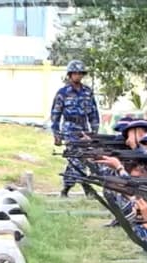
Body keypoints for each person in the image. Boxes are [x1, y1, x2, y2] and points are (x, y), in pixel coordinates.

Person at [51, 60, 100, 197]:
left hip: (84, 129)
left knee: (82, 158)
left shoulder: (87, 92)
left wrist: (95, 132)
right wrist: (57, 134)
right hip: (69, 129)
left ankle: (66, 188)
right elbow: (55, 114)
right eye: (75, 73)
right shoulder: (63, 93)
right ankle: (86, 187)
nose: (78, 76)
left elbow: (93, 112)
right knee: (75, 158)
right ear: (70, 74)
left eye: (80, 73)